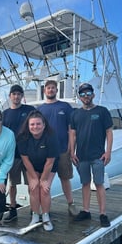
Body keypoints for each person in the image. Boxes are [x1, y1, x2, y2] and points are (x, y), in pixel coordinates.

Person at [70, 83, 113, 227]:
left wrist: (108, 151)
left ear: (93, 95)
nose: (85, 96)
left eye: (88, 93)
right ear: (79, 97)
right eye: (82, 94)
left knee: (99, 184)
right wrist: (72, 152)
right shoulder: (75, 114)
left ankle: (103, 214)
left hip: (98, 156)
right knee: (85, 184)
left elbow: (109, 132)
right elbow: (73, 134)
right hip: (81, 156)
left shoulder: (102, 111)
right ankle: (86, 211)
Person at [37, 80, 76, 216]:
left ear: (56, 90)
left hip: (63, 150)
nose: (51, 90)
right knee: (45, 181)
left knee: (65, 179)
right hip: (47, 153)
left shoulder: (65, 107)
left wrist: (71, 148)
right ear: (44, 91)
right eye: (48, 88)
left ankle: (71, 205)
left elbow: (71, 129)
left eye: (53, 88)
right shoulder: (40, 110)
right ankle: (43, 209)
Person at [17, 110, 60, 231]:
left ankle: (46, 216)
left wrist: (44, 179)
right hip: (32, 165)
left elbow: (50, 161)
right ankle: (35, 216)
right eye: (32, 124)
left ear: (44, 125)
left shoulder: (51, 136)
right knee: (34, 189)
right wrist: (35, 179)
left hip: (49, 165)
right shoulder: (22, 138)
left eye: (38, 124)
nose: (35, 127)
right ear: (28, 126)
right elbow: (25, 160)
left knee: (45, 190)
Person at [2, 84, 35, 222]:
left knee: (31, 184)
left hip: (28, 154)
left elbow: (37, 126)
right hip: (12, 155)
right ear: (10, 96)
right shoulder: (4, 114)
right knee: (12, 184)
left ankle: (34, 210)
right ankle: (13, 209)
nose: (16, 96)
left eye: (18, 94)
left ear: (22, 96)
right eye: (14, 94)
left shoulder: (30, 110)